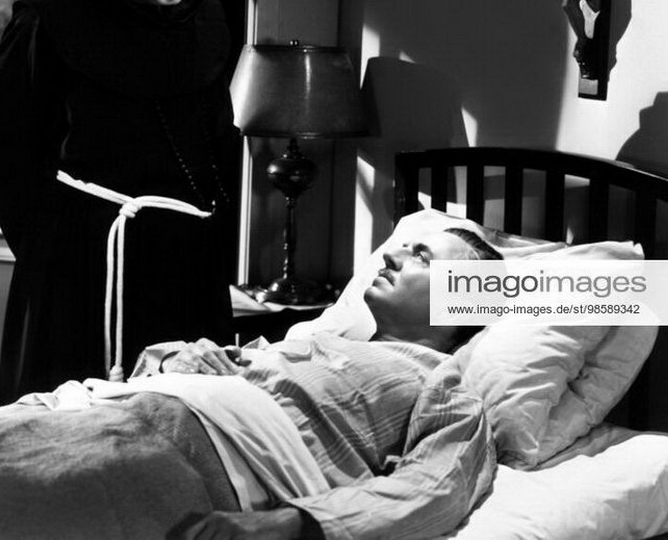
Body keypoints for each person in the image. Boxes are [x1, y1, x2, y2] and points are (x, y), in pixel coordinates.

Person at [0, 0, 240, 404]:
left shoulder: (209, 20)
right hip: (81, 276)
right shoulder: (49, 19)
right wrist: (58, 247)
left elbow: (214, 147)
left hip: (186, 270)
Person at [147, 226, 504, 540]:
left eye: (422, 258)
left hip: (197, 458)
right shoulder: (310, 342)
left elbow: (438, 486)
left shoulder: (443, 389)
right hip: (142, 407)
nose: (391, 256)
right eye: (405, 248)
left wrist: (294, 523)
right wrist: (175, 358)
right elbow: (162, 360)